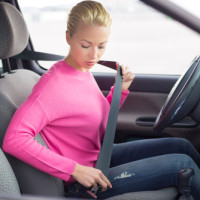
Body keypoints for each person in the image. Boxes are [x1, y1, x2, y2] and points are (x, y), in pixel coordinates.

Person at [2, 0, 200, 199]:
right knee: (181, 164)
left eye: (101, 46)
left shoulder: (81, 71)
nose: (94, 55)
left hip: (98, 158)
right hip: (82, 182)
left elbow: (100, 126)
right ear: (68, 37)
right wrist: (75, 169)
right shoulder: (52, 86)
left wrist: (119, 91)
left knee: (181, 145)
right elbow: (15, 139)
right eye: (86, 45)